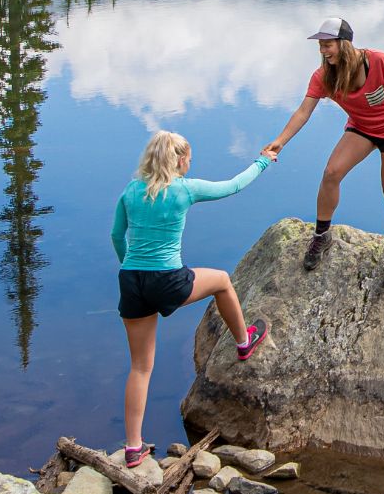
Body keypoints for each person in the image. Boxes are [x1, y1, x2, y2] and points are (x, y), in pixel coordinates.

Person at [112, 129, 271, 469]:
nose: (190, 164)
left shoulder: (131, 191)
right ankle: (244, 342)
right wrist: (262, 161)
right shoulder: (184, 190)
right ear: (179, 160)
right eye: (188, 159)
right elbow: (234, 185)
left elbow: (116, 235)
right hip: (168, 280)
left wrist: (131, 264)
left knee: (140, 367)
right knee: (223, 281)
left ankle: (132, 448)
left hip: (131, 280)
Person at [261, 17, 384, 287]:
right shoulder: (324, 76)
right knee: (331, 173)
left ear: (344, 43)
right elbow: (304, 112)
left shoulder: (377, 61)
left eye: (328, 45)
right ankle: (322, 235)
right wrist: (280, 141)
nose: (324, 51)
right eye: (321, 46)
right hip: (362, 128)